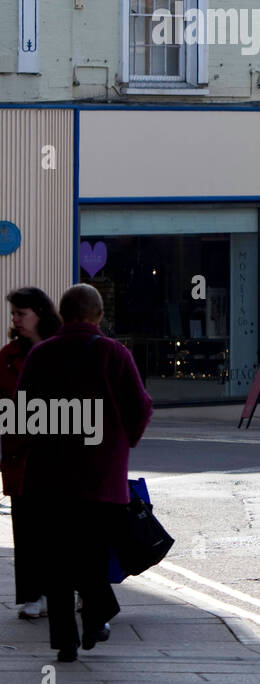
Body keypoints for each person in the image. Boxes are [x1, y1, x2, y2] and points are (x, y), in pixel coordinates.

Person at [18, 284, 152, 663]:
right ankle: (95, 620)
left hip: (49, 476)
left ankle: (65, 641)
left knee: (57, 557)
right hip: (101, 477)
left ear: (61, 315)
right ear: (98, 316)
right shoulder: (115, 353)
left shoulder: (41, 354)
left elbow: (24, 412)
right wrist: (121, 445)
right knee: (93, 552)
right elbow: (139, 408)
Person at [1, 287, 61, 621]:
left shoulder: (60, 351)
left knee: (60, 528)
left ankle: (68, 589)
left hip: (60, 454)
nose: (15, 320)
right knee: (25, 527)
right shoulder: (7, 355)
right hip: (20, 455)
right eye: (13, 314)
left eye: (21, 313)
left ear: (40, 313)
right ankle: (32, 595)